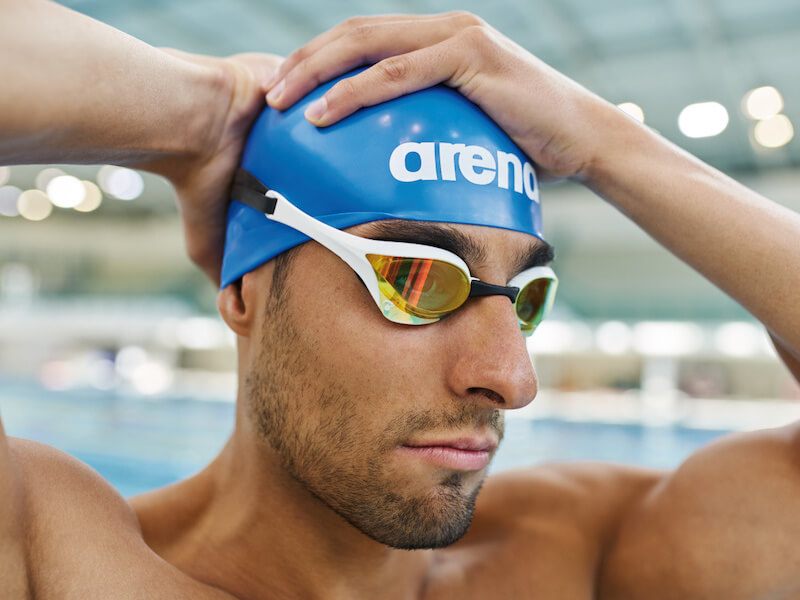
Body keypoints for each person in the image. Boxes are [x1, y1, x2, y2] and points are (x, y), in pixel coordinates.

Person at [2, 6, 800, 600]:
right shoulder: (60, 555)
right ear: (244, 290)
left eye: (526, 298)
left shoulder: (575, 559)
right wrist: (210, 109)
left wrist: (603, 145)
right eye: (416, 280)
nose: (511, 380)